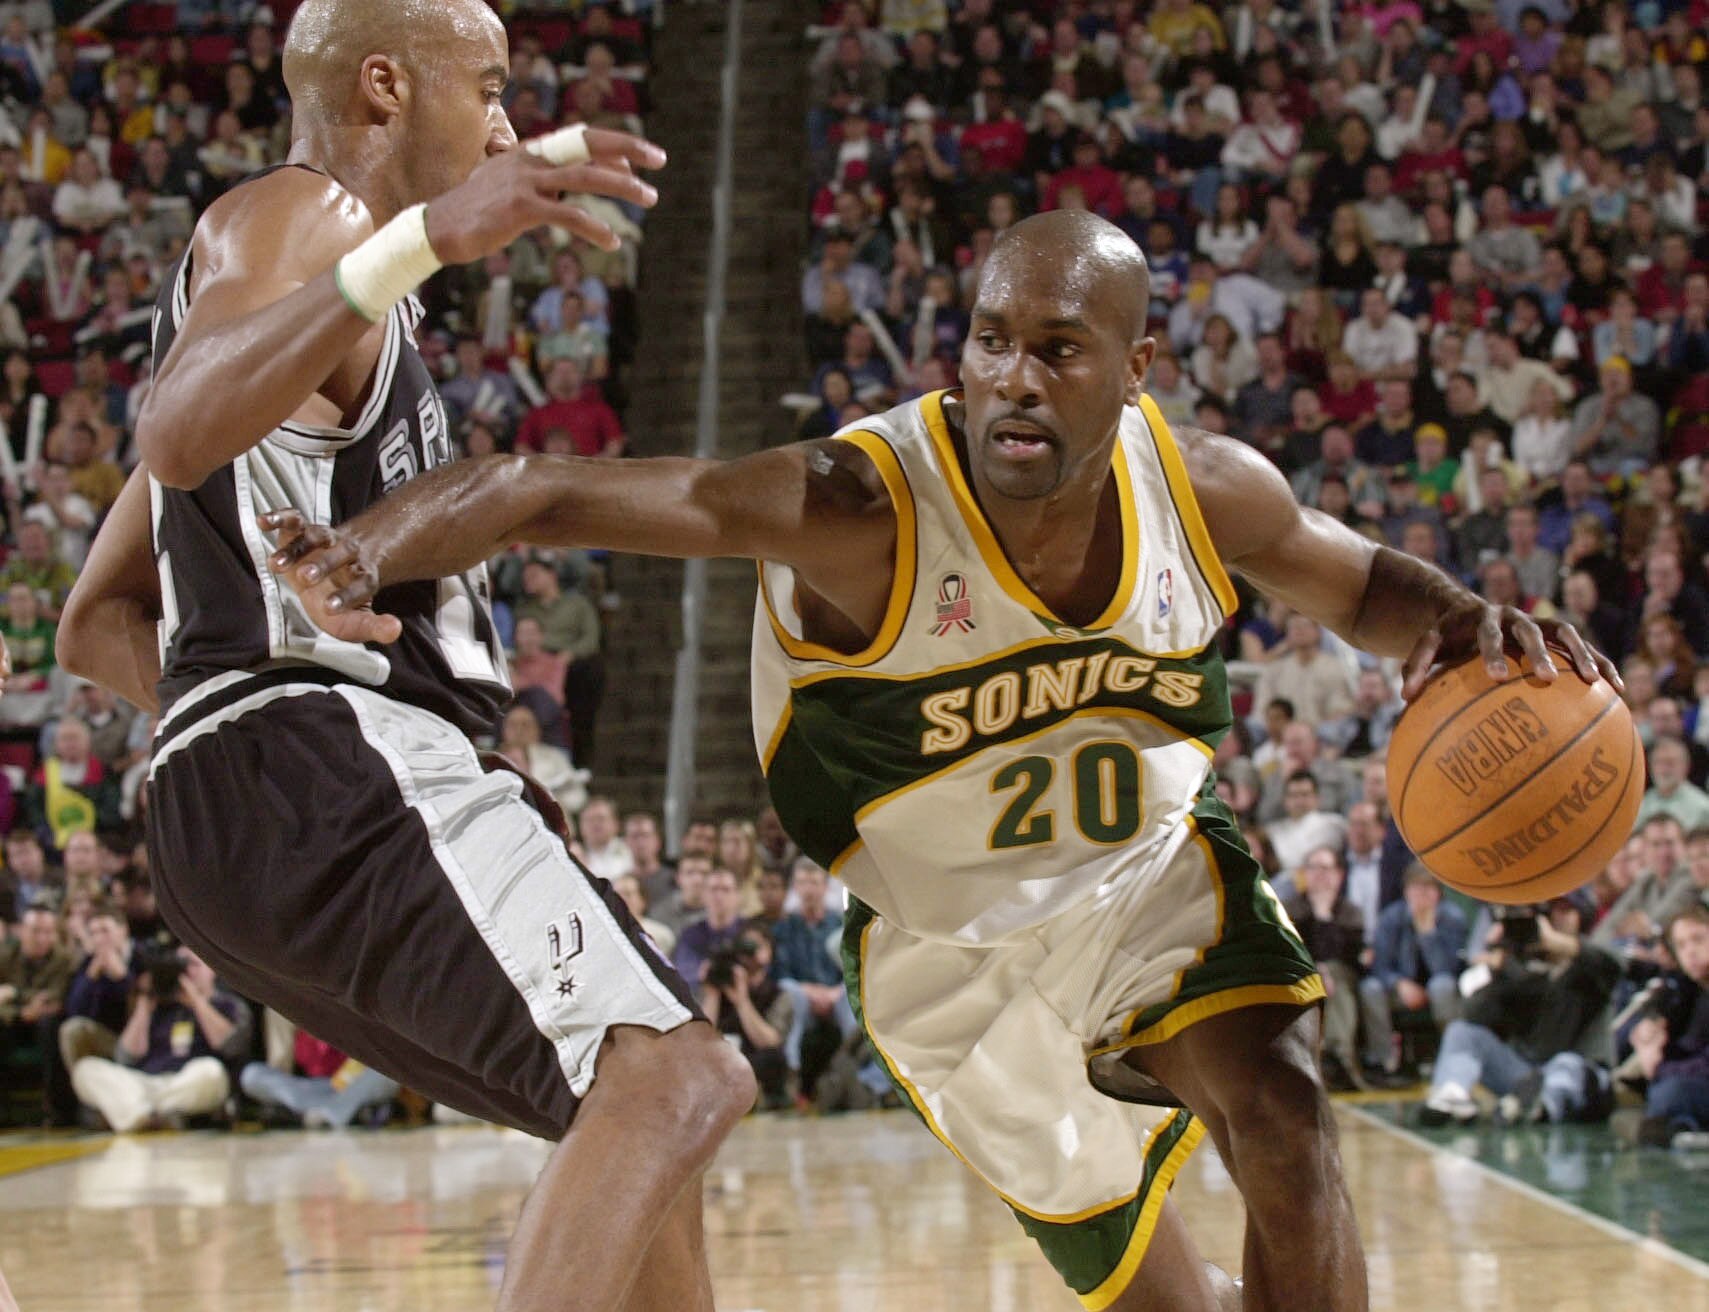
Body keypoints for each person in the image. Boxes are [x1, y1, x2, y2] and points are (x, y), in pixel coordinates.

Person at [265, 209, 1618, 1312]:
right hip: (943, 954)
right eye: (987, 341)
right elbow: (546, 490)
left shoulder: (1204, 489)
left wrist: (1460, 624)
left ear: (1137, 366)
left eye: (1057, 348)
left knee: (1285, 1118)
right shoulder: (860, 508)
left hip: (1143, 879)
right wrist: (368, 546)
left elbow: (1369, 588)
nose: (1012, 378)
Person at [56, 4, 753, 1307]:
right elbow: (173, 432)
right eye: (484, 87)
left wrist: (239, 710)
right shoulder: (301, 218)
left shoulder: (304, 304)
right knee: (676, 1080)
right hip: (326, 757)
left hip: (269, 788)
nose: (503, 123)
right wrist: (427, 233)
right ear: (386, 84)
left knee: (644, 1113)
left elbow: (93, 622)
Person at [1421, 899, 1620, 1127]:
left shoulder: (1594, 964)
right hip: (1524, 1072)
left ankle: (1537, 1107)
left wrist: (1560, 944)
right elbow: (1474, 1015)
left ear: (1582, 915)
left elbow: (1614, 966)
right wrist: (1498, 968)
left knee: (1568, 1065)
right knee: (1461, 1032)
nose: (1559, 918)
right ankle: (1452, 1094)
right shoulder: (1525, 965)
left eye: (1567, 910)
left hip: (1581, 1076)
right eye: (1553, 912)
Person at [70, 945, 252, 1133]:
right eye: (179, 968)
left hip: (188, 1083)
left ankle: (140, 1113)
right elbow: (125, 1057)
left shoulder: (228, 1004)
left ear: (212, 970)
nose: (186, 973)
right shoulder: (158, 1005)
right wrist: (144, 1004)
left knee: (211, 1072)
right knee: (86, 1069)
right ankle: (149, 1113)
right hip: (145, 1083)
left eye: (193, 965)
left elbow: (230, 1045)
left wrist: (197, 1001)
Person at [1360, 866, 1468, 1080]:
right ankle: (1383, 1061)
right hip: (1401, 990)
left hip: (1440, 990)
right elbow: (1380, 966)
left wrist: (1428, 934)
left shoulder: (1453, 917)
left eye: (1429, 888)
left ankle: (1452, 1054)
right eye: (1417, 888)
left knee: (1441, 985)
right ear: (1406, 891)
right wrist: (1399, 983)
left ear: (1439, 893)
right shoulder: (1391, 917)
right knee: (1370, 988)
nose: (1423, 895)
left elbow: (1450, 969)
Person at [1619, 905, 1709, 1146]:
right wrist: (1651, 1033)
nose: (1690, 951)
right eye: (1681, 945)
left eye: (1698, 939)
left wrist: (1658, 1067)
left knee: (1673, 1092)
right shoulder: (1694, 990)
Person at [1280, 849, 1366, 1091]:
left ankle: (1336, 1055)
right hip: (1299, 977)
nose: (1320, 875)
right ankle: (1325, 1060)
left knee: (1335, 976)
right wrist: (1317, 969)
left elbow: (1348, 956)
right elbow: (1289, 950)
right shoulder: (1288, 909)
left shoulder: (1351, 912)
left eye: (1326, 868)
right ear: (1304, 874)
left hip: (1345, 980)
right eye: (1314, 868)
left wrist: (1323, 917)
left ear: (1339, 875)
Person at [240, 1023, 402, 1129]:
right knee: (251, 1075)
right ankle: (330, 1110)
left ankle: (327, 1113)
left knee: (389, 1076)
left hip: (352, 1086)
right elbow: (280, 1067)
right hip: (307, 1087)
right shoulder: (286, 1012)